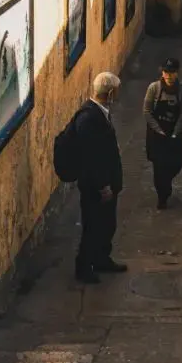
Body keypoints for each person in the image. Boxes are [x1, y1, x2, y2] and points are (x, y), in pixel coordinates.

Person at [72, 71, 126, 285]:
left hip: (107, 182)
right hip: (96, 186)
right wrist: (103, 185)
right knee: (93, 225)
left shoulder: (99, 112)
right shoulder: (89, 118)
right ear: (111, 92)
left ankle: (102, 259)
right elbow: (91, 157)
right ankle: (84, 266)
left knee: (106, 224)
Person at [143, 56, 182, 209]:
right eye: (166, 72)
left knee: (178, 161)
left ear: (177, 73)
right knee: (159, 166)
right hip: (157, 135)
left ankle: (166, 182)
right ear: (162, 73)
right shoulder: (154, 88)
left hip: (174, 132)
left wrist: (176, 132)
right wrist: (158, 130)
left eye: (172, 72)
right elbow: (147, 111)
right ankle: (162, 196)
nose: (169, 76)